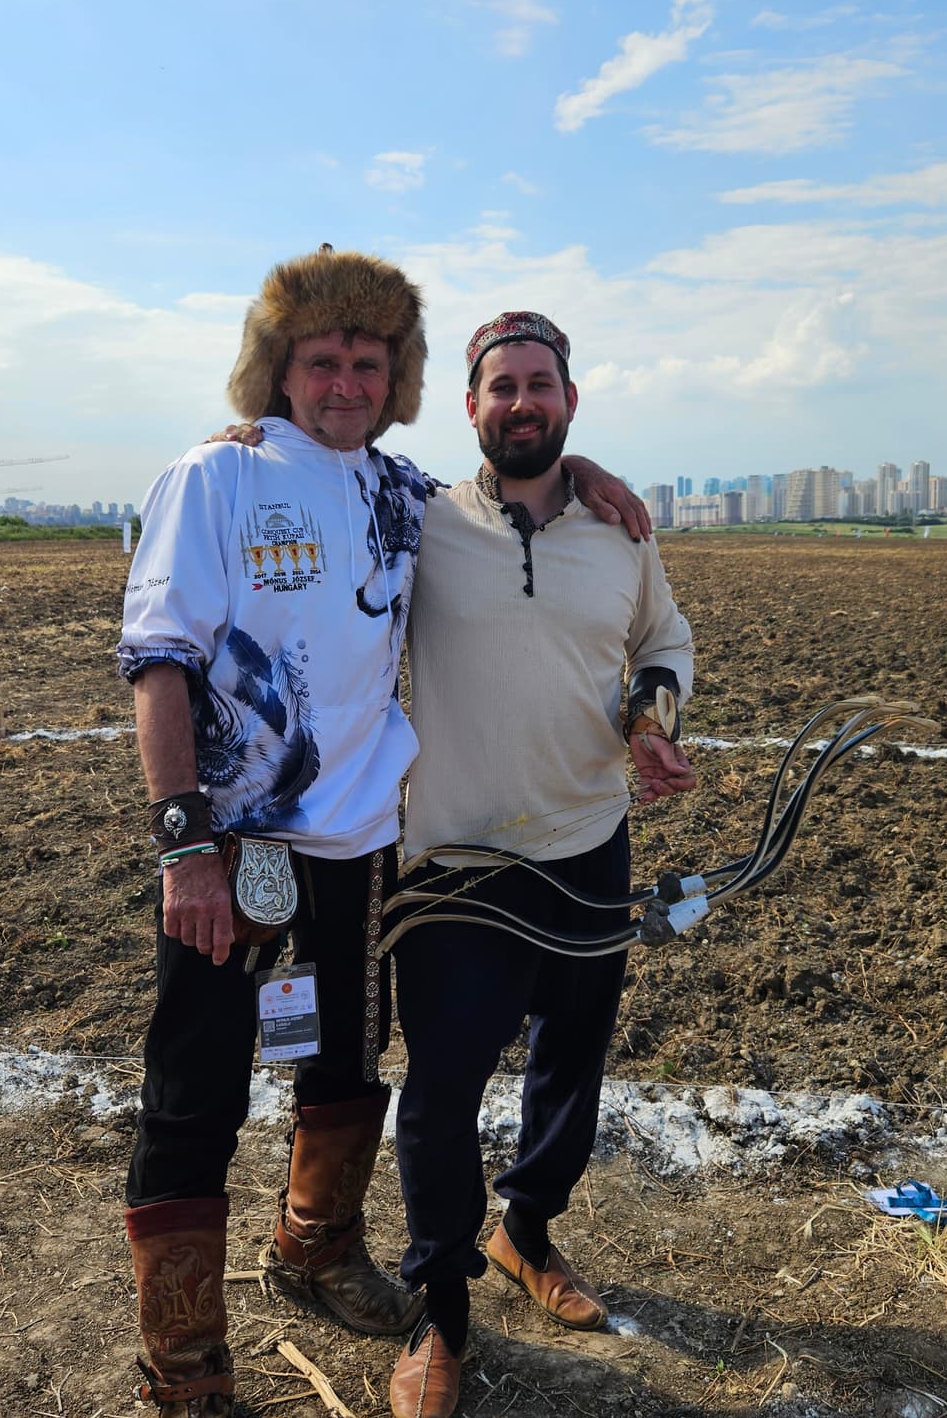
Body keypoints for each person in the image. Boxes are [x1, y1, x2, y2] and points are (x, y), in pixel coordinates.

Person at [115, 252, 648, 1417]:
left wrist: (579, 469)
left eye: (369, 361)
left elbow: (504, 494)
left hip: (359, 852)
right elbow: (157, 661)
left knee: (346, 1069)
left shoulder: (401, 495)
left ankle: (314, 1248)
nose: (347, 382)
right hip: (235, 852)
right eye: (323, 360)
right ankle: (184, 1365)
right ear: (280, 367)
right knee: (197, 1096)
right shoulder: (216, 476)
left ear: (397, 376)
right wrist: (183, 846)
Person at [385, 312, 696, 1417]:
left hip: (587, 842)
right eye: (502, 386)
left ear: (571, 400)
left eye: (541, 384)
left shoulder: (622, 533)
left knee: (572, 1060)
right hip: (457, 858)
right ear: (470, 406)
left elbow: (661, 640)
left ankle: (525, 1232)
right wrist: (251, 427)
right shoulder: (418, 523)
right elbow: (323, 465)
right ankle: (439, 1308)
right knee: (442, 1089)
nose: (522, 402)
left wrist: (652, 717)